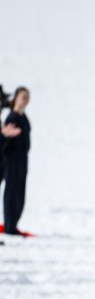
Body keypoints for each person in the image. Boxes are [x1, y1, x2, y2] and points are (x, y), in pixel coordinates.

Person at [3, 87, 31, 236]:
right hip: (12, 161)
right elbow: (4, 143)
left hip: (22, 160)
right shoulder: (12, 118)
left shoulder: (23, 117)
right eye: (23, 97)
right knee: (12, 192)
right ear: (16, 98)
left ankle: (13, 224)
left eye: (28, 97)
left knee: (20, 193)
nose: (26, 100)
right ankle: (9, 225)